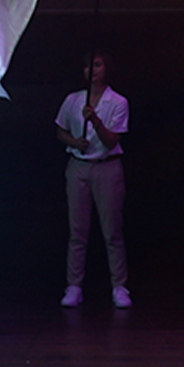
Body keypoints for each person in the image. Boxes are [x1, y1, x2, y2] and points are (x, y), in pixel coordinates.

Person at [56, 50, 132, 309]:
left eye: (97, 65)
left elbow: (111, 141)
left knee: (112, 231)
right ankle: (74, 286)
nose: (92, 70)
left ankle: (119, 286)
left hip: (106, 168)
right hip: (78, 167)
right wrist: (74, 142)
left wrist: (95, 120)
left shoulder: (118, 102)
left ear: (106, 68)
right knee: (77, 231)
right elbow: (60, 131)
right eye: (88, 66)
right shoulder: (72, 99)